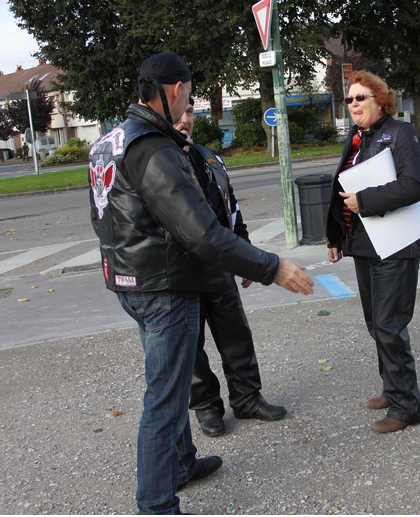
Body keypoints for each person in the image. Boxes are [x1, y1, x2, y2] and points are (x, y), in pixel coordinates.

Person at [88, 52, 313, 514]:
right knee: (165, 400)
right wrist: (272, 267)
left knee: (164, 382)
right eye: (188, 95)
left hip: (129, 281)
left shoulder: (109, 141)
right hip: (164, 288)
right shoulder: (155, 148)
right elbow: (202, 233)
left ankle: (181, 464)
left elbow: (102, 215)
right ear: (175, 91)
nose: (188, 103)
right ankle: (157, 504)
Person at [325, 70, 420, 434]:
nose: (353, 104)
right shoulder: (358, 138)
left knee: (389, 325)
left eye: (360, 98)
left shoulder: (401, 134)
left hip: (396, 244)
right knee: (377, 324)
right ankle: (393, 388)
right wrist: (337, 238)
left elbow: (414, 185)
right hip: (366, 243)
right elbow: (341, 193)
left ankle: (407, 406)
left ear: (379, 100)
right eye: (349, 99)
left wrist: (366, 200)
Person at [173, 99, 287, 438]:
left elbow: (230, 209)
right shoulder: (158, 161)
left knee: (236, 336)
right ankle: (207, 407)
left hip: (219, 266)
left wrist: (246, 255)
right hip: (180, 271)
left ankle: (247, 398)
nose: (184, 120)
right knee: (190, 347)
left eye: (190, 113)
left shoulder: (208, 158)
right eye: (178, 113)